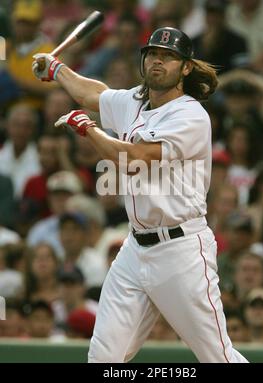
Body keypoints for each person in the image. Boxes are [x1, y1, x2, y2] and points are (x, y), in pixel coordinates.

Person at [32, 27, 248, 363]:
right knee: (103, 359)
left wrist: (88, 129)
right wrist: (57, 69)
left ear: (186, 67)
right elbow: (95, 95)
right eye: (153, 54)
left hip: (181, 250)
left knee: (217, 357)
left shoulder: (190, 115)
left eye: (168, 56)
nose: (158, 61)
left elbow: (134, 160)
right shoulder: (135, 100)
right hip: (136, 248)